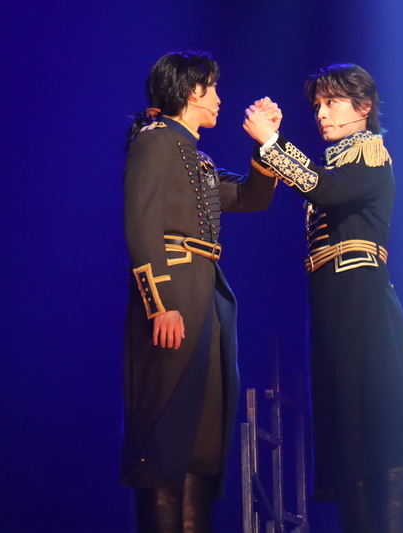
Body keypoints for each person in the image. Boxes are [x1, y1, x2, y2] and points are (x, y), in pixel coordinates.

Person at [243, 64, 403, 533]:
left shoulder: (370, 154)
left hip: (363, 301)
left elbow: (323, 189)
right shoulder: (340, 162)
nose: (322, 114)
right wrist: (271, 142)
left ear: (363, 107)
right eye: (317, 106)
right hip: (332, 302)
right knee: (347, 436)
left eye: (332, 103)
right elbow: (319, 182)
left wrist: (272, 142)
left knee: (382, 426)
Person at [122, 51, 279, 533]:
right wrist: (161, 305)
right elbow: (141, 223)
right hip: (174, 295)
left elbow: (250, 197)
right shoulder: (156, 141)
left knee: (201, 443)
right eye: (212, 88)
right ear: (192, 90)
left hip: (204, 295)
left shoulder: (196, 157)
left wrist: (267, 146)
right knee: (165, 435)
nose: (218, 99)